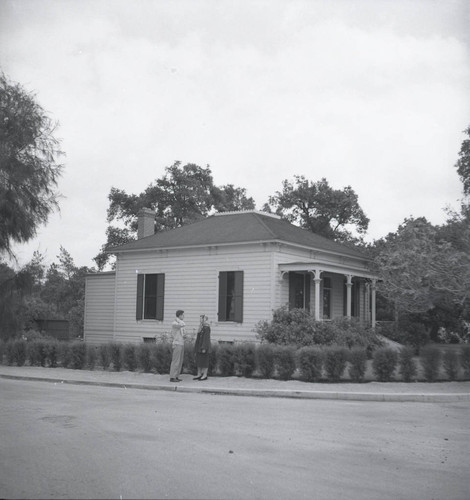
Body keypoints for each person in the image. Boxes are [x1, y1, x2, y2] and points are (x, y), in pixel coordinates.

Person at [193, 314, 211, 381]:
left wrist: (204, 347)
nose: (200, 320)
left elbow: (206, 339)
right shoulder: (201, 327)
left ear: (205, 319)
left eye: (202, 319)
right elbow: (198, 337)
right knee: (199, 361)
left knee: (204, 361)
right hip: (199, 347)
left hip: (204, 347)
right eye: (200, 319)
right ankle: (199, 374)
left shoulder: (207, 328)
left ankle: (205, 375)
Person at [169, 310, 185, 382]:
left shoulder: (179, 323)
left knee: (180, 361)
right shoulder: (175, 323)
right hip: (177, 343)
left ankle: (176, 375)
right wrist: (179, 320)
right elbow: (182, 324)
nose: (183, 316)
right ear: (180, 315)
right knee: (176, 361)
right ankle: (172, 376)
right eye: (183, 315)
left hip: (181, 343)